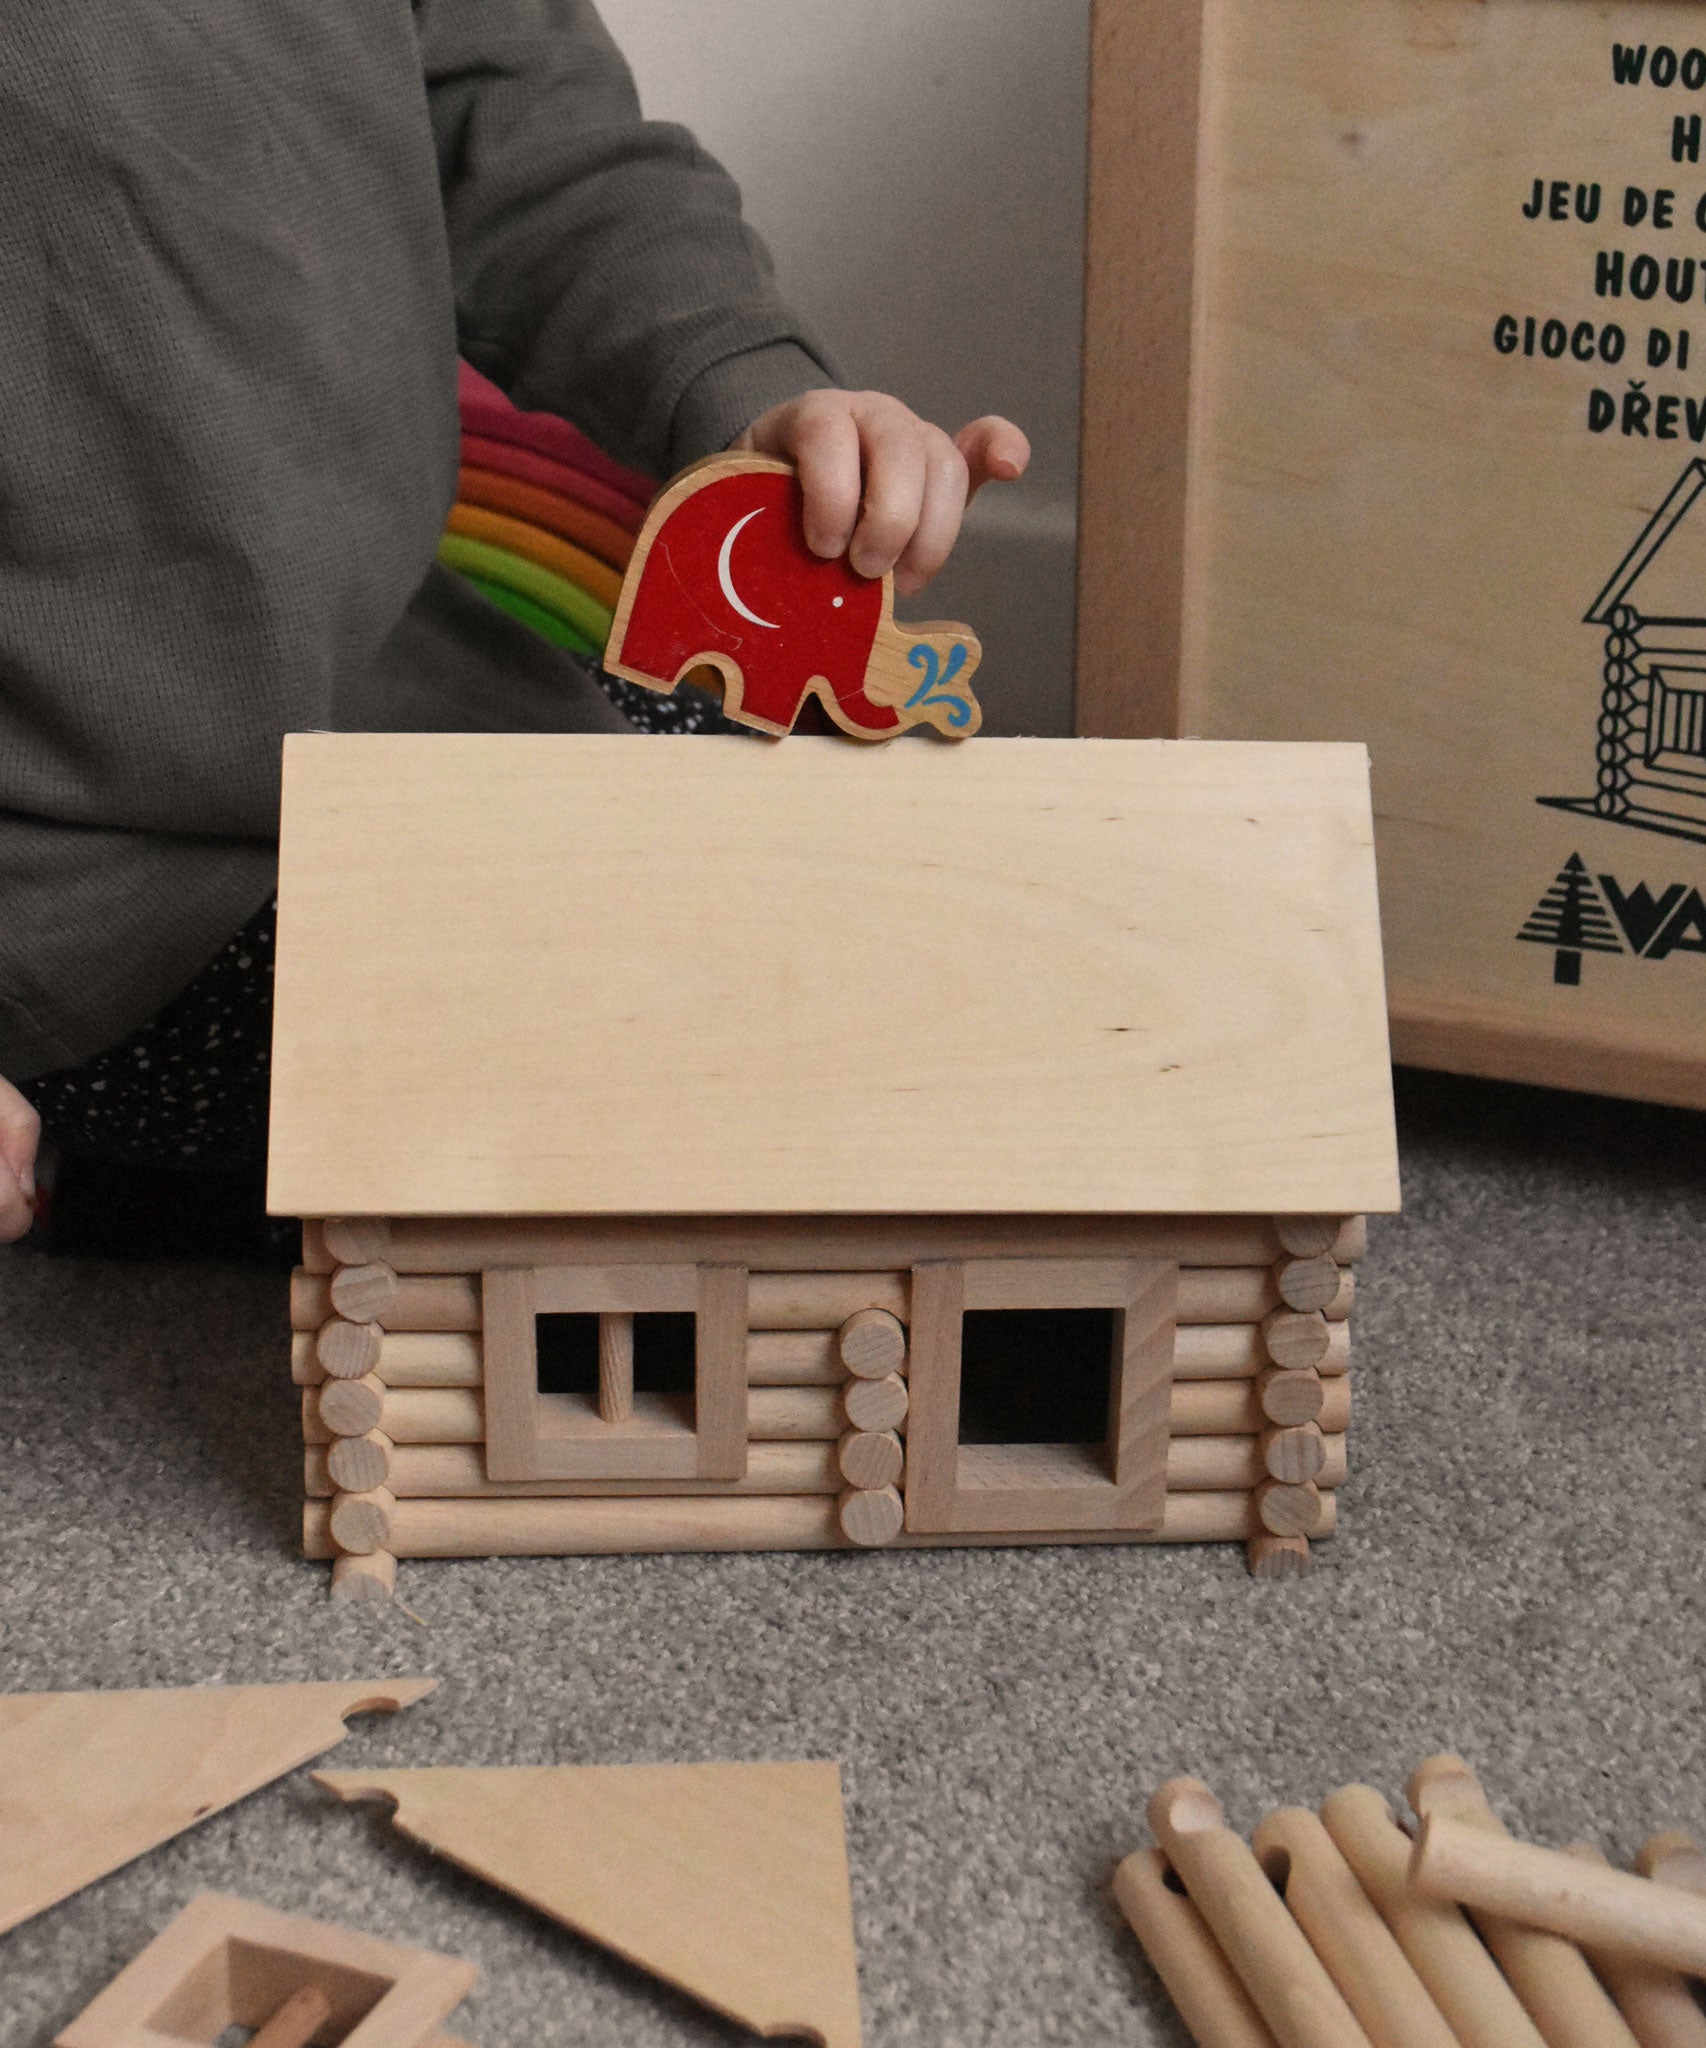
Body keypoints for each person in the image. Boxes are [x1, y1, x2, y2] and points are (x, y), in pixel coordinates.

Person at [0, 0, 1029, 1249]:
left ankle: (176, 1182)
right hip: (84, 880)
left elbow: (538, 145)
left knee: (926, 919)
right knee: (793, 1172)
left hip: (398, 703)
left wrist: (754, 388)